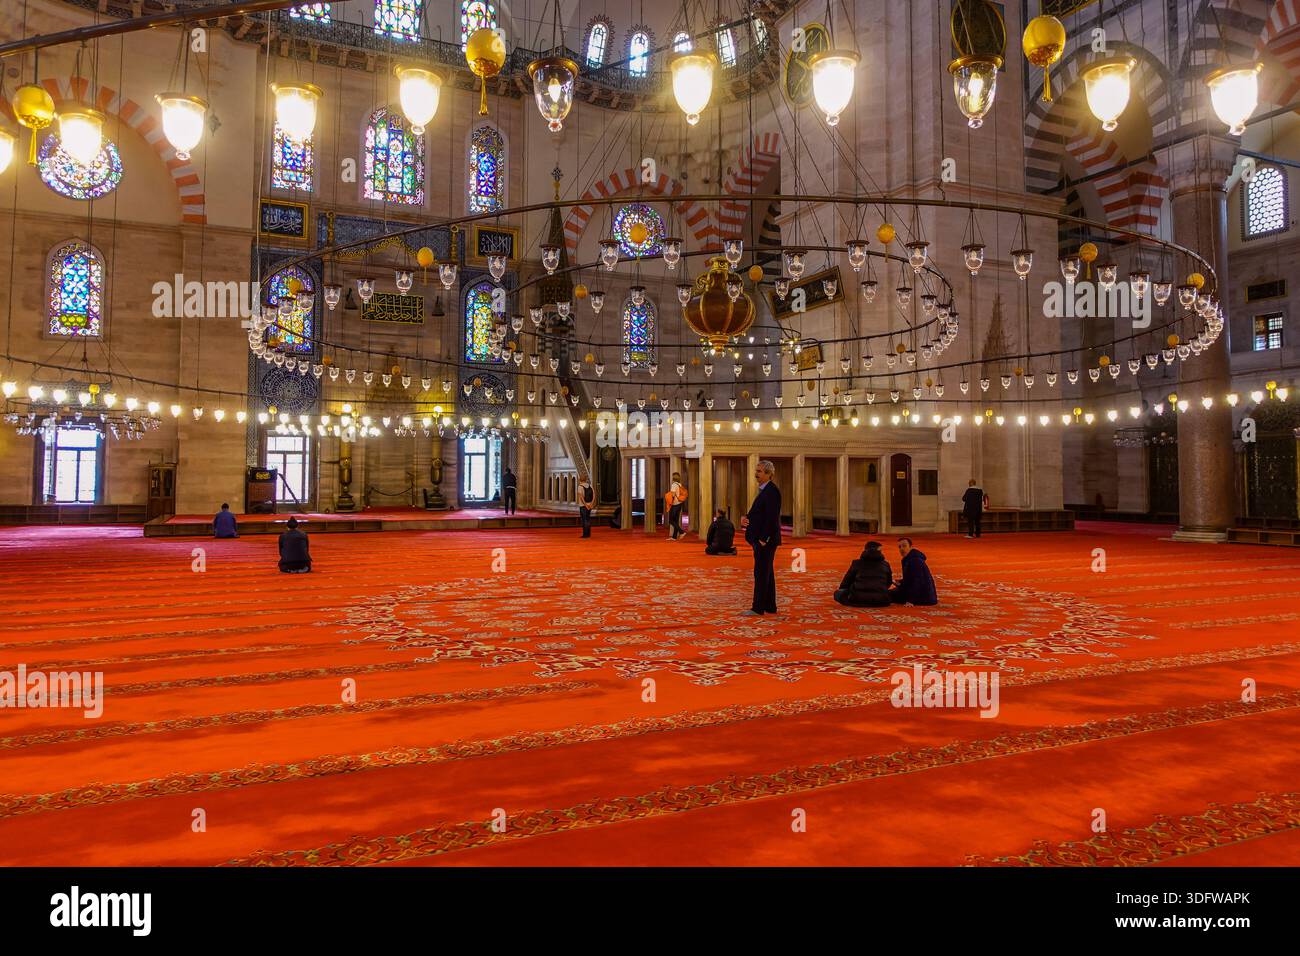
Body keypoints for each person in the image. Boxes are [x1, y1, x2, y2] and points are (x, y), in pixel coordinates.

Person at [740, 459, 781, 615]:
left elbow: (772, 517)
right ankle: (770, 606)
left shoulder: (772, 491)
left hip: (765, 541)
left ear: (769, 474)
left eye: (759, 471)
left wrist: (764, 539)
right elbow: (760, 513)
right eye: (756, 471)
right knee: (767, 572)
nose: (756, 474)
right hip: (761, 539)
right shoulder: (765, 490)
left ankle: (758, 608)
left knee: (761, 573)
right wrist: (746, 518)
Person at [834, 541, 893, 607]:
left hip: (859, 599)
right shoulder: (885, 564)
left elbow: (846, 582)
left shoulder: (857, 563)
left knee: (838, 593)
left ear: (865, 550)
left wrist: (845, 591)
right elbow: (889, 582)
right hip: (881, 600)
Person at [890, 537, 937, 605]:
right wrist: (900, 582)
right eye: (899, 547)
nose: (901, 549)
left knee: (887, 596)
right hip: (918, 593)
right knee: (889, 593)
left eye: (904, 546)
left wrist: (911, 600)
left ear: (911, 547)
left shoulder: (915, 560)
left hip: (923, 597)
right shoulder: (908, 559)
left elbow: (918, 581)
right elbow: (910, 578)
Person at [667, 472, 687, 540]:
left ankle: (682, 532)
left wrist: (670, 503)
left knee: (671, 520)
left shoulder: (673, 485)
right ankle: (674, 537)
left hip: (675, 504)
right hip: (680, 503)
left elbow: (672, 495)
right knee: (676, 520)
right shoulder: (679, 484)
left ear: (673, 478)